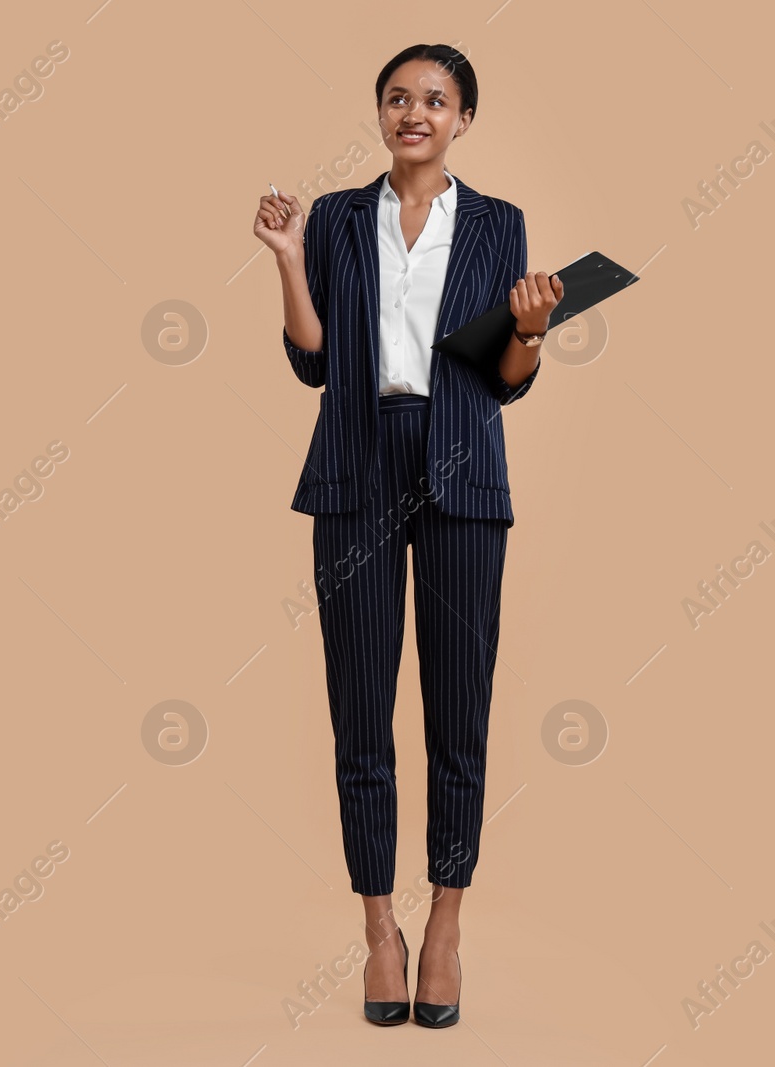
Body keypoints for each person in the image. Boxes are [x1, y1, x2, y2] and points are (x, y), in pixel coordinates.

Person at [253, 43, 562, 1028]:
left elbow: (506, 376)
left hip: (463, 461)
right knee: (360, 711)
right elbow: (312, 359)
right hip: (356, 459)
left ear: (462, 118)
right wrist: (291, 259)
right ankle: (379, 927)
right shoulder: (340, 217)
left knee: (457, 713)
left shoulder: (499, 224)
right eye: (397, 97)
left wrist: (530, 326)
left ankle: (444, 929)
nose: (413, 111)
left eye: (434, 98)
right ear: (379, 114)